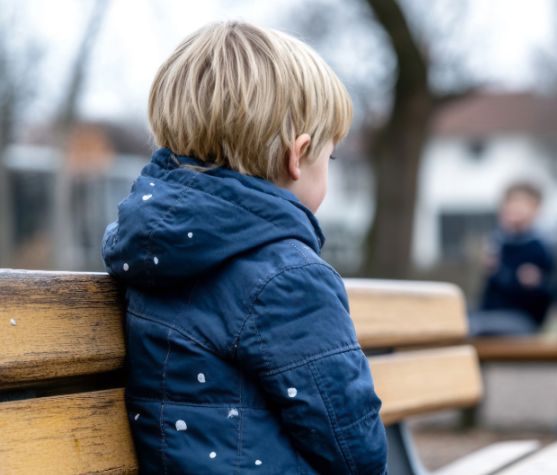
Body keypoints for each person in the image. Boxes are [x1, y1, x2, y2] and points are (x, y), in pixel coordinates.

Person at [101, 22, 387, 474]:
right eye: (329, 157)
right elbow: (354, 446)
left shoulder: (151, 252)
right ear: (298, 155)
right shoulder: (287, 276)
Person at [469, 182, 555, 336]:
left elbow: (549, 293)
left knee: (472, 326)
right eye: (511, 205)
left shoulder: (540, 248)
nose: (515, 210)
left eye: (522, 206)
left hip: (522, 317)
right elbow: (489, 294)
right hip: (491, 314)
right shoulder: (498, 243)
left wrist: (536, 284)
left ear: (536, 210)